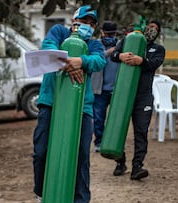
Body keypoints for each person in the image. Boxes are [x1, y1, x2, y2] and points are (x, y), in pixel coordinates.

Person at [32, 5, 106, 203]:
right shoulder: (58, 32)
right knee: (41, 152)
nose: (87, 26)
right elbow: (48, 49)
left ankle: (81, 200)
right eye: (84, 22)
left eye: (91, 24)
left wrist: (80, 61)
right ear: (74, 21)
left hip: (83, 108)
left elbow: (99, 61)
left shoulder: (94, 43)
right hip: (51, 102)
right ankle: (42, 192)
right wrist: (68, 64)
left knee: (81, 156)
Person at [110, 20, 165, 180]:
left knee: (141, 132)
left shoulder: (158, 49)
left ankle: (137, 167)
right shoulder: (127, 41)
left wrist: (142, 61)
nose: (151, 30)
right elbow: (113, 55)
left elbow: (154, 64)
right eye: (149, 26)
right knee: (117, 127)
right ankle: (120, 162)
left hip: (143, 97)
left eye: (155, 28)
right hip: (124, 94)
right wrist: (120, 55)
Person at [91, 21, 120, 153]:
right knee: (98, 118)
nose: (109, 36)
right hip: (99, 89)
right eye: (107, 33)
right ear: (102, 32)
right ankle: (99, 142)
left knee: (115, 119)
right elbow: (93, 59)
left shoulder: (121, 45)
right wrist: (108, 52)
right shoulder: (96, 45)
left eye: (112, 34)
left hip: (117, 89)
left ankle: (113, 142)